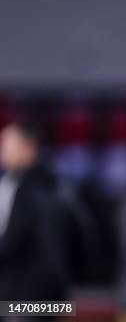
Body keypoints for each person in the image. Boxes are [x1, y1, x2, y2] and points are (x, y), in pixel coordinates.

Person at [0, 122, 71, 320]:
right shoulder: (60, 185)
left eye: (7, 146)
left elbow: (12, 240)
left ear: (29, 148)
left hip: (22, 299)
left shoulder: (22, 188)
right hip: (57, 296)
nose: (2, 152)